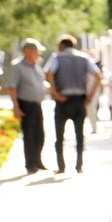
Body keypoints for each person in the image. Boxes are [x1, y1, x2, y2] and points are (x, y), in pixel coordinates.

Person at [44, 35, 102, 173]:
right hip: (79, 100)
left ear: (63, 45)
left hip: (62, 100)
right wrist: (90, 96)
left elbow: (49, 73)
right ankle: (79, 165)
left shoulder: (57, 58)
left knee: (59, 136)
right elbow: (98, 77)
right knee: (79, 135)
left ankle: (61, 166)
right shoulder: (84, 58)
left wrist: (55, 92)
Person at [4, 39, 49, 175]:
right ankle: (30, 164)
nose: (38, 53)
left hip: (37, 104)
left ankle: (37, 160)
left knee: (40, 134)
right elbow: (12, 87)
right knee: (29, 135)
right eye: (36, 50)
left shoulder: (36, 65)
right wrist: (16, 107)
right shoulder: (18, 67)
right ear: (28, 51)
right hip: (25, 104)